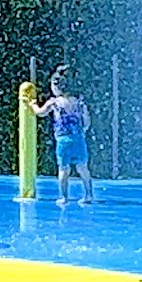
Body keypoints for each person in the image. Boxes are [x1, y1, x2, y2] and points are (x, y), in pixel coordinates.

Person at [35, 65, 95, 206]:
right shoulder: (79, 102)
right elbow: (86, 120)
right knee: (83, 168)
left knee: (64, 169)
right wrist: (83, 131)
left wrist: (32, 104)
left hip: (63, 140)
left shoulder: (54, 102)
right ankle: (88, 195)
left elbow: (40, 112)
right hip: (79, 139)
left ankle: (64, 197)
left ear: (56, 86)